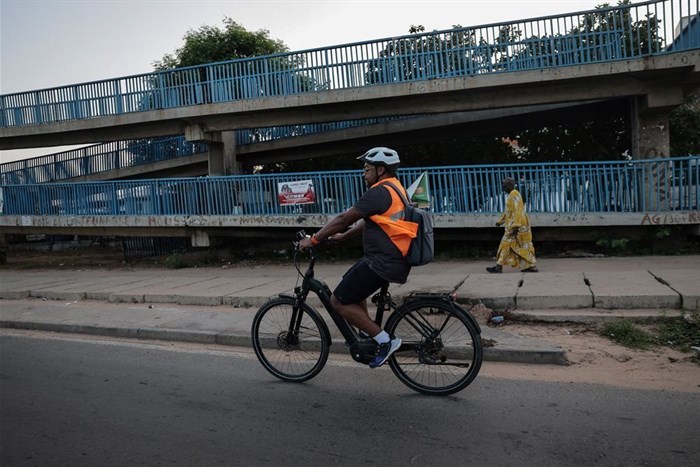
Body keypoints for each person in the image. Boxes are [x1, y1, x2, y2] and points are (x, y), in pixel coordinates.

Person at [298, 147, 414, 368]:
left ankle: (385, 341)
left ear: (381, 170)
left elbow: (344, 218)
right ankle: (369, 331)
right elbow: (370, 221)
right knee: (350, 280)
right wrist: (344, 237)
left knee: (338, 301)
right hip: (390, 259)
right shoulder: (396, 188)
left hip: (383, 262)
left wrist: (313, 240)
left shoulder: (379, 192)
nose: (363, 173)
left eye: (367, 168)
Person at [486, 177, 538, 273]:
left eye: (504, 185)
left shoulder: (514, 194)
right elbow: (509, 212)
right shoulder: (512, 194)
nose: (503, 187)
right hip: (515, 224)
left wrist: (516, 226)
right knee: (512, 245)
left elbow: (518, 210)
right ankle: (499, 266)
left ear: (510, 185)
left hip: (518, 225)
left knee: (519, 245)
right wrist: (500, 221)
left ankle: (499, 267)